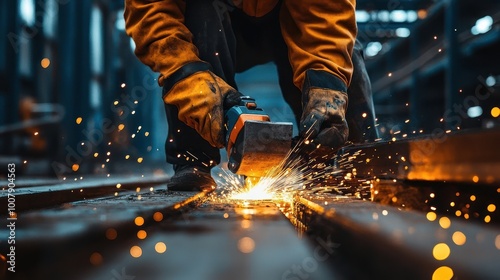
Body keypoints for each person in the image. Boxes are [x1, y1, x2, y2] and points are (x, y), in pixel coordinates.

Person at [124, 0, 377, 191]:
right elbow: (154, 14)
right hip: (208, 24)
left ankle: (349, 161)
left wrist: (326, 86)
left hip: (291, 20)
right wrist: (194, 87)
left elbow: (327, 14)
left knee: (340, 62)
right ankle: (193, 160)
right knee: (196, 16)